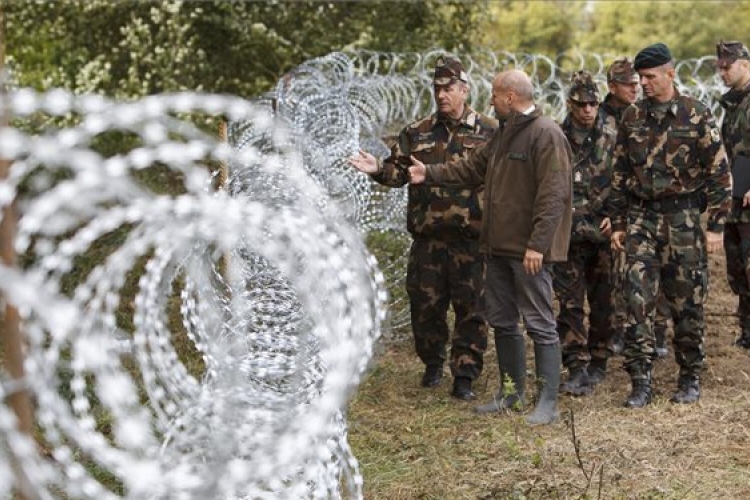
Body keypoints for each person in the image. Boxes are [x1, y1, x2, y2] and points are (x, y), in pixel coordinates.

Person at [407, 69, 573, 425]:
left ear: (511, 97)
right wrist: (429, 173)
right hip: (497, 247)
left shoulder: (546, 134)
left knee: (540, 323)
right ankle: (510, 393)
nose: (490, 102)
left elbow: (554, 195)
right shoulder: (503, 135)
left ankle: (547, 402)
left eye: (495, 96)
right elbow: (470, 167)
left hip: (528, 252)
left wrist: (537, 245)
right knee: (502, 321)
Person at [349, 55, 497, 401]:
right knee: (425, 306)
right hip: (429, 239)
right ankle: (432, 363)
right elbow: (397, 173)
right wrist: (376, 169)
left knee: (472, 310)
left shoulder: (489, 131)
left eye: (448, 89)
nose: (442, 95)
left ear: (464, 90)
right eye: (437, 89)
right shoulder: (417, 133)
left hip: (471, 239)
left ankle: (465, 374)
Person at [609, 43, 731, 408]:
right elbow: (618, 174)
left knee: (687, 301)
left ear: (670, 73)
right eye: (640, 78)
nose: (644, 84)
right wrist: (617, 222)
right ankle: (640, 380)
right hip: (642, 220)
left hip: (684, 222)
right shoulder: (631, 118)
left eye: (649, 77)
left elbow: (719, 174)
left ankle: (689, 376)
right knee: (636, 301)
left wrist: (717, 227)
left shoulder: (696, 114)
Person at [601, 57, 672, 360]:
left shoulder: (647, 113)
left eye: (637, 82)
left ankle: (657, 331)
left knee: (656, 273)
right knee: (621, 277)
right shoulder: (600, 117)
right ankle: (622, 331)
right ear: (612, 86)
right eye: (628, 83)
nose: (636, 87)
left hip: (647, 208)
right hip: (617, 207)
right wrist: (608, 213)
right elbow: (603, 171)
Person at [554, 71, 618, 396]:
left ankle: (599, 359)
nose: (589, 110)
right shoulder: (556, 136)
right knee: (570, 305)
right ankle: (576, 366)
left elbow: (623, 179)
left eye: (593, 103)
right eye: (582, 105)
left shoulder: (611, 134)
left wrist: (616, 216)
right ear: (570, 103)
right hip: (566, 236)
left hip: (602, 236)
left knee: (604, 302)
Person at [717, 40, 750, 349]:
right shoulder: (732, 104)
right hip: (735, 202)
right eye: (720, 68)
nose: (723, 73)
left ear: (745, 65)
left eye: (728, 67)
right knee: (738, 269)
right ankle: (747, 330)